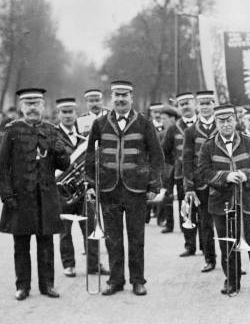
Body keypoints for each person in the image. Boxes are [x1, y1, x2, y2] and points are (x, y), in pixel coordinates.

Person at [85, 80, 164, 296]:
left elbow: (157, 156)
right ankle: (116, 280)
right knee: (113, 239)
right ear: (111, 98)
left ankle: (138, 280)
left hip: (136, 190)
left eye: (124, 95)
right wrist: (91, 184)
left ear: (131, 97)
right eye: (116, 95)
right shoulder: (100, 124)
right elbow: (91, 156)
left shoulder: (144, 123)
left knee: (136, 238)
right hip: (108, 190)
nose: (120, 99)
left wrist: (154, 183)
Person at [0, 88, 69, 300]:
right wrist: (6, 196)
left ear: (44, 106)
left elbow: (65, 165)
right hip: (20, 198)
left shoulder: (52, 130)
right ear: (21, 107)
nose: (32, 108)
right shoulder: (12, 130)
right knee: (21, 244)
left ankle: (47, 286)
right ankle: (23, 286)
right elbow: (1, 167)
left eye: (36, 103)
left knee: (46, 243)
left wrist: (59, 150)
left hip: (45, 197)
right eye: (28, 104)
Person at [197, 105, 250, 294]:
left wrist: (246, 175)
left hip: (248, 202)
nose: (226, 124)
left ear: (236, 121)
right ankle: (232, 282)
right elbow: (203, 172)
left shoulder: (249, 143)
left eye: (229, 120)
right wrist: (225, 177)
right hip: (221, 203)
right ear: (216, 123)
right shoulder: (208, 146)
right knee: (228, 244)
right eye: (221, 121)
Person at [55, 97, 109, 278]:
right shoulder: (53, 135)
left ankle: (94, 264)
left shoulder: (84, 137)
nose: (68, 116)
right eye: (64, 112)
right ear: (59, 114)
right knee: (65, 230)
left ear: (76, 114)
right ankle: (68, 264)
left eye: (71, 112)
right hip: (63, 191)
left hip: (84, 189)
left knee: (91, 227)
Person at [183, 90, 218, 271]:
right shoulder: (190, 131)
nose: (205, 107)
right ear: (197, 106)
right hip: (201, 183)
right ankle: (209, 259)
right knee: (205, 223)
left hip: (222, 183)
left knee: (229, 221)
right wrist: (189, 185)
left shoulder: (222, 126)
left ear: (214, 104)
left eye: (208, 103)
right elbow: (187, 159)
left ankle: (232, 259)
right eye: (202, 104)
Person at [161, 92, 198, 252]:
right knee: (186, 210)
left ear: (194, 104)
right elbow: (165, 152)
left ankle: (206, 249)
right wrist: (177, 163)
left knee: (204, 213)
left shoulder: (203, 125)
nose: (185, 106)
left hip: (203, 174)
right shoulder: (173, 129)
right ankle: (189, 246)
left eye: (188, 103)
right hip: (182, 176)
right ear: (178, 108)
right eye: (182, 104)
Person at [159, 105, 180, 234]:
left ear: (173, 118)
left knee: (183, 196)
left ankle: (186, 224)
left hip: (180, 167)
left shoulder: (181, 130)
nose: (163, 121)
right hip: (168, 167)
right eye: (161, 119)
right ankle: (169, 223)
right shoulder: (162, 133)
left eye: (165, 118)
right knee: (167, 195)